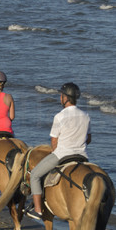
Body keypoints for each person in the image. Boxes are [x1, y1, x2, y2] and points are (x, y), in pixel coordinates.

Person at [28, 82, 90, 217]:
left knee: (35, 175)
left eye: (61, 95)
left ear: (66, 98)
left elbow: (54, 141)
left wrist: (57, 152)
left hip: (62, 155)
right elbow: (88, 139)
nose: (60, 98)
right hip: (82, 156)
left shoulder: (59, 116)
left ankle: (37, 210)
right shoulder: (85, 115)